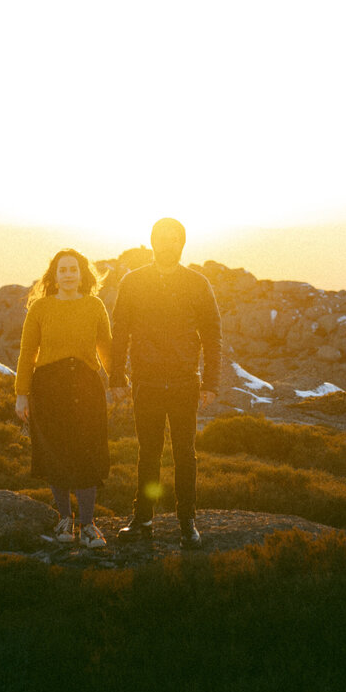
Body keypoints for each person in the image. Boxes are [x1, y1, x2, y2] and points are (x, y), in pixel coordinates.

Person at [109, 218, 222, 549]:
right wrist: (117, 376)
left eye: (175, 238)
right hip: (147, 381)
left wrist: (210, 382)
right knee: (148, 453)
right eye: (162, 237)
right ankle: (143, 519)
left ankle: (187, 521)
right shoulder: (134, 281)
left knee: (185, 454)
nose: (168, 243)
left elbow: (213, 335)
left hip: (185, 381)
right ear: (153, 241)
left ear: (182, 244)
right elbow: (120, 331)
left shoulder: (197, 283)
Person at [15, 248, 113, 549]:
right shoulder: (40, 308)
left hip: (86, 385)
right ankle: (64, 520)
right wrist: (22, 394)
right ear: (54, 276)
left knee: (87, 453)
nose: (69, 274)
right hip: (48, 387)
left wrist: (119, 382)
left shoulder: (95, 305)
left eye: (73, 269)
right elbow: (28, 353)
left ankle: (88, 525)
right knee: (54, 452)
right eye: (63, 270)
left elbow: (106, 348)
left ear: (82, 274)